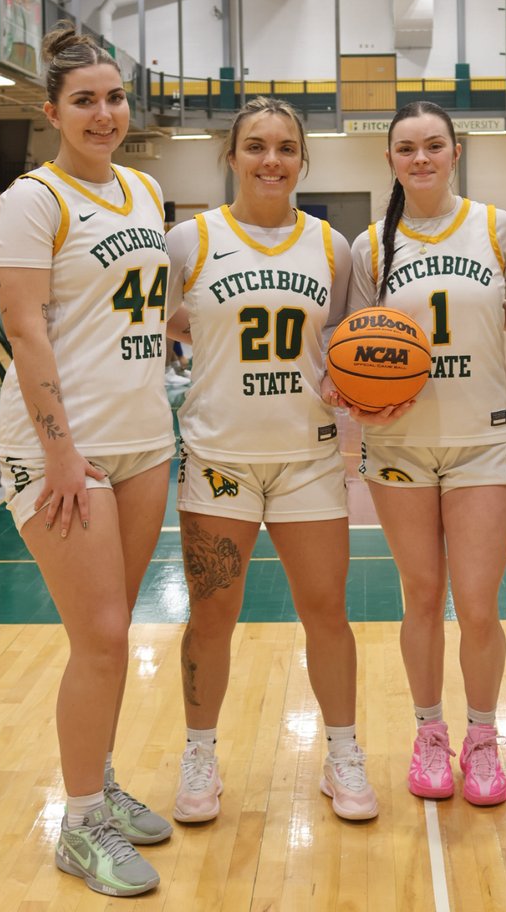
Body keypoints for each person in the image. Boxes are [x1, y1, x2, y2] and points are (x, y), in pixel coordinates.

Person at [0, 23, 176, 898]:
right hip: (65, 450)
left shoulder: (143, 188)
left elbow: (143, 315)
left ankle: (97, 780)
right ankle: (77, 824)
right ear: (52, 110)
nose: (104, 114)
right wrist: (61, 454)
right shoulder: (33, 199)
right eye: (85, 100)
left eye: (114, 97)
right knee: (100, 639)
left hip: (144, 439)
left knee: (112, 632)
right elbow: (25, 329)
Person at [165, 96, 378, 824]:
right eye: (255, 146)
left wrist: (352, 386)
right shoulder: (186, 243)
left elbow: (349, 350)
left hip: (308, 459)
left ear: (302, 160)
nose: (271, 160)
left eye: (286, 147)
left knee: (328, 614)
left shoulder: (331, 248)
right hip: (217, 458)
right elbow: (144, 336)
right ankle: (199, 754)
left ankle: (343, 753)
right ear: (231, 156)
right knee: (210, 617)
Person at [336, 101, 506, 807]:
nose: (421, 159)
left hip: (481, 439)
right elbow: (352, 344)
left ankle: (482, 739)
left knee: (477, 605)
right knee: (421, 597)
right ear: (390, 160)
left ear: (455, 152)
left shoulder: (495, 228)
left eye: (433, 146)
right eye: (407, 149)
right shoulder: (370, 248)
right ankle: (428, 734)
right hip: (399, 445)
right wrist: (358, 397)